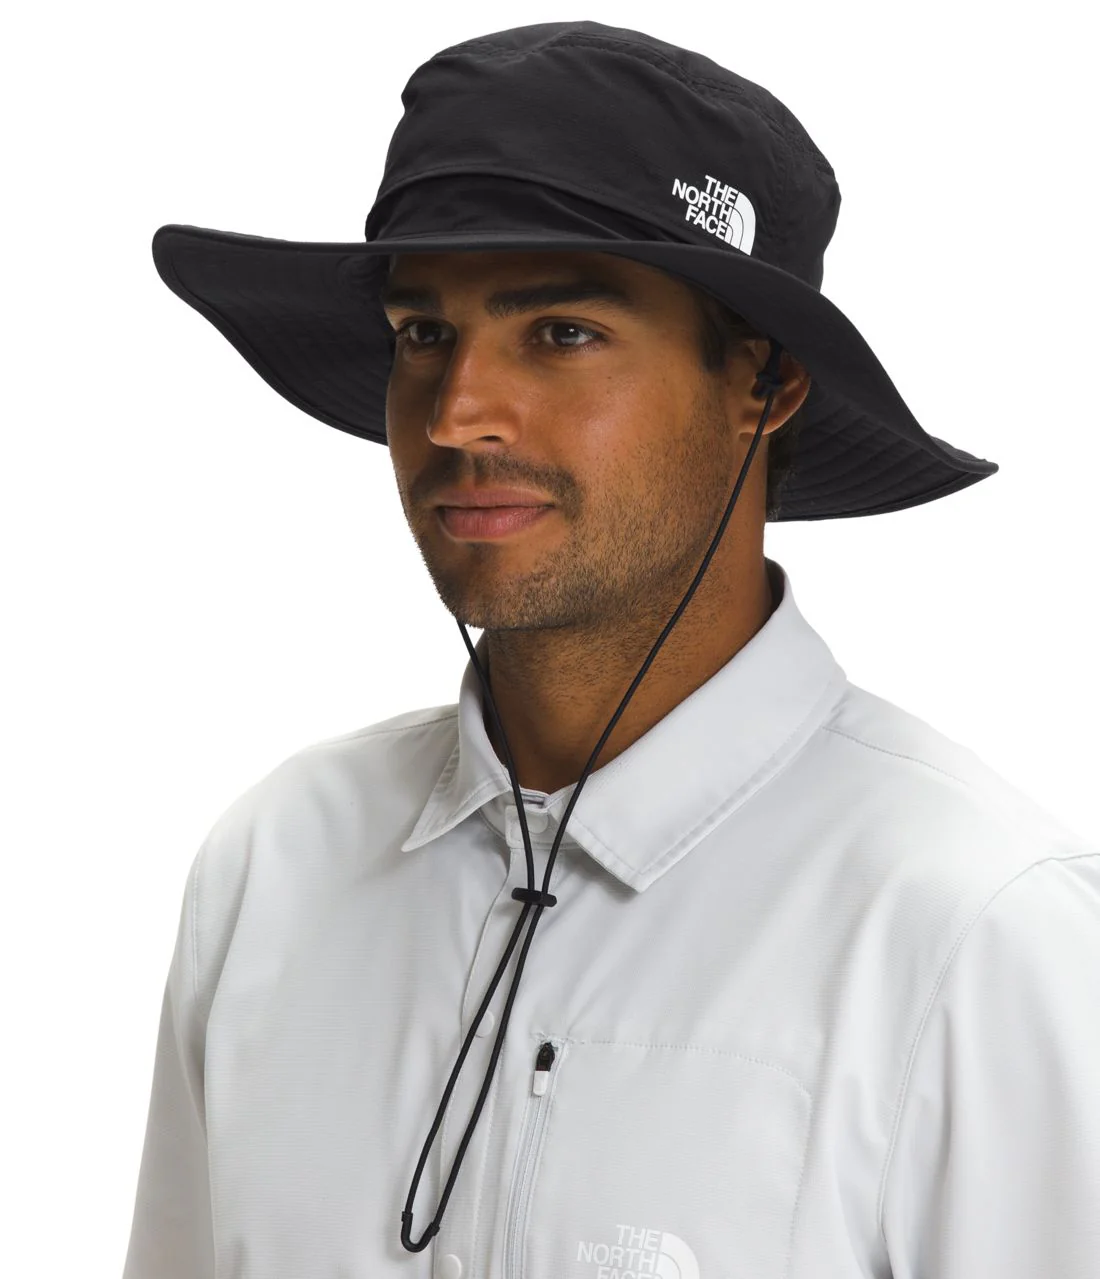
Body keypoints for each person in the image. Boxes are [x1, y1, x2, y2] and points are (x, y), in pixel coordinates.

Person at [124, 20, 1100, 1279]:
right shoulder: (277, 866)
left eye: (560, 331)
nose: (458, 412)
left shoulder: (974, 929)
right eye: (422, 333)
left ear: (761, 382)